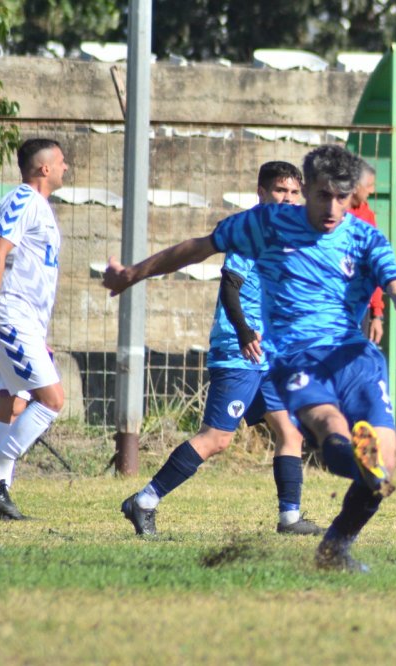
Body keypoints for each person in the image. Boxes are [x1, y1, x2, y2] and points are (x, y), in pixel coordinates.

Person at [103, 144, 396, 572]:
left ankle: (333, 546)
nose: (332, 207)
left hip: (356, 359)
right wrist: (133, 274)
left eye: (341, 197)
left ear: (352, 196)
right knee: (325, 425)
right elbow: (198, 248)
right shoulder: (266, 224)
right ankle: (151, 499)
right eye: (322, 195)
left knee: (379, 467)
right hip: (293, 357)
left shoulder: (366, 238)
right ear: (308, 190)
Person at [117, 161, 324, 537]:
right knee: (217, 438)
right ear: (261, 193)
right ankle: (143, 501)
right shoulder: (251, 231)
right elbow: (231, 286)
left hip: (268, 354)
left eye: (295, 192)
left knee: (290, 431)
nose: (288, 199)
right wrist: (244, 332)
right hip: (239, 350)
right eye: (280, 191)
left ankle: (290, 518)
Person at [0, 139, 68, 521]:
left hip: (26, 322)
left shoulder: (40, 207)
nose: (66, 167)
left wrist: (38, 334)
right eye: (61, 161)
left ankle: (1, 492)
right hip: (10, 314)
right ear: (44, 168)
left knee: (11, 403)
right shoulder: (23, 199)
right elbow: (0, 248)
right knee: (52, 400)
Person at [347, 159, 385, 344]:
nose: (372, 191)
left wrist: (377, 313)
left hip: (360, 305)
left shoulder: (367, 215)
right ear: (355, 186)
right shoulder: (330, 214)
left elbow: (373, 265)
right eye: (369, 185)